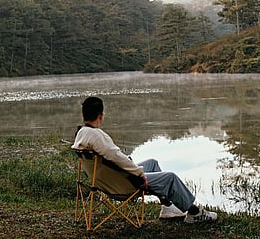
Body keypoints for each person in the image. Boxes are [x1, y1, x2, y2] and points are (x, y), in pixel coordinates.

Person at [72, 96, 217, 224]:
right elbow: (116, 156)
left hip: (106, 180)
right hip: (122, 185)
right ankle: (194, 213)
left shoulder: (82, 133)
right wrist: (139, 173)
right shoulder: (96, 136)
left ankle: (167, 207)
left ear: (84, 115)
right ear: (101, 116)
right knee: (170, 178)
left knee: (152, 163)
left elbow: (113, 159)